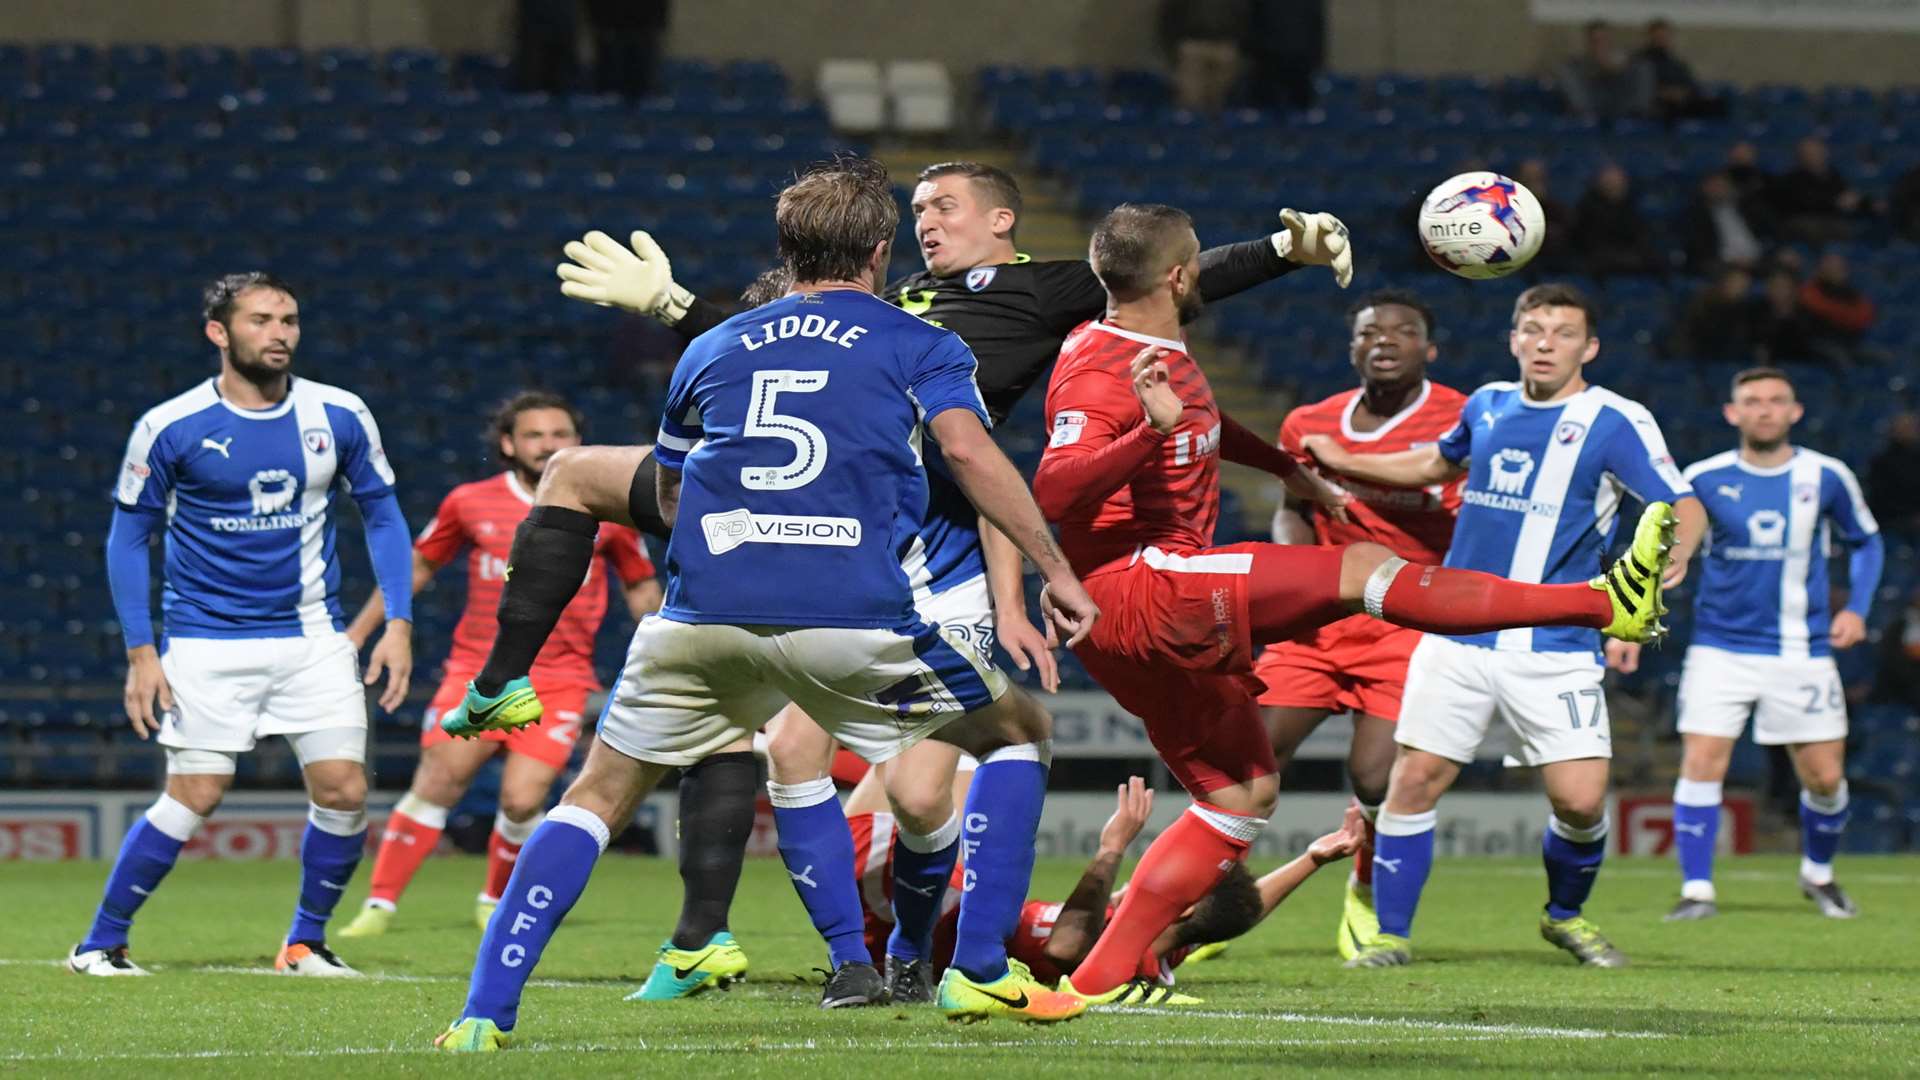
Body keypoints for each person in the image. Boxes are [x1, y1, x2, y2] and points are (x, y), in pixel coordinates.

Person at [466, 161, 1355, 1006]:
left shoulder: (1045, 291)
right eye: (917, 208)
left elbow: (1158, 276)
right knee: (596, 502)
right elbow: (779, 340)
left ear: (1004, 220)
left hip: (928, 541)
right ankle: (827, 954)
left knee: (922, 791)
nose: (928, 219)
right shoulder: (892, 310)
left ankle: (897, 950)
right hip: (840, 514)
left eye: (947, 205)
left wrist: (1280, 254)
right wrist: (676, 306)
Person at [433, 156, 1106, 1052]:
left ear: (786, 251)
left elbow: (671, 500)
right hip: (850, 623)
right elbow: (974, 458)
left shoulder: (715, 345)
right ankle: (978, 974)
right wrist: (1052, 565)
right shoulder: (921, 339)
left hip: (699, 618)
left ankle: (483, 1014)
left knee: (594, 796)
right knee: (1017, 732)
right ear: (880, 248)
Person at [1035, 217, 1680, 1001]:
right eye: (1194, 257)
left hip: (1128, 610)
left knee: (1241, 794)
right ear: (1177, 278)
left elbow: (1204, 426)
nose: (1205, 267)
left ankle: (1101, 978)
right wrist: (1148, 433)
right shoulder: (1108, 367)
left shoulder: (1157, 355)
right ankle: (1599, 603)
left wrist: (1285, 468)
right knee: (1367, 571)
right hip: (1146, 582)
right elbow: (1057, 491)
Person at [1303, 282, 1707, 971]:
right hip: (1457, 637)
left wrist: (1675, 555)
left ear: (1590, 347)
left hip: (1555, 643)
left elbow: (1681, 502)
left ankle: (1565, 916)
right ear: (1515, 338)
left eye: (1564, 333)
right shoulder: (1486, 404)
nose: (1547, 343)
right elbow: (1434, 462)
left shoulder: (1615, 419)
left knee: (1579, 803)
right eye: (1535, 329)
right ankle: (1392, 936)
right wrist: (1345, 460)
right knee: (1414, 781)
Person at [72, 273, 414, 977]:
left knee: (346, 790)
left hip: (312, 640)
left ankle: (305, 943)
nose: (280, 333)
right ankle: (100, 943)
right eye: (260, 320)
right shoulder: (170, 426)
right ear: (219, 333)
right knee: (195, 793)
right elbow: (127, 539)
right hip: (204, 641)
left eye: (288, 319)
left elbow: (382, 514)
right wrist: (142, 651)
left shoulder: (340, 414)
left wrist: (399, 620)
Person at [337, 392, 662, 940]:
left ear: (577, 443)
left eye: (560, 435)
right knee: (439, 780)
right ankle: (378, 906)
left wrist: (660, 649)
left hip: (561, 679)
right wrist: (362, 632)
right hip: (474, 668)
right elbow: (417, 567)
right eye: (534, 435)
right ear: (508, 444)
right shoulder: (469, 502)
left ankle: (493, 899)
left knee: (523, 798)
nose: (548, 445)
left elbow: (640, 587)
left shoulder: (608, 508)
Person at [1251, 288, 1466, 959]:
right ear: (1352, 348)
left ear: (1428, 349)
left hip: (1405, 624)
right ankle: (1211, 897)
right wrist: (1296, 567)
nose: (1385, 340)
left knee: (1375, 778)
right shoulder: (1309, 422)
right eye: (1371, 331)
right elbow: (1291, 504)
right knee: (1246, 760)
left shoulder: (1459, 420)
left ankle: (1365, 892)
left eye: (1404, 331)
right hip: (1320, 621)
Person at [1666, 368, 1883, 921]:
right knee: (1701, 762)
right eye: (1752, 402)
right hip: (1720, 647)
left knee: (1825, 778)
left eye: (1775, 401)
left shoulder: (1826, 476)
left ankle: (1819, 874)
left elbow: (1867, 541)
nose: (1764, 410)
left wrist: (1856, 606)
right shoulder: (1704, 479)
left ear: (1795, 411)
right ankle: (1697, 890)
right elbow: (1667, 557)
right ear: (1732, 413)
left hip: (1801, 650)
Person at [843, 771, 1366, 997]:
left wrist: (1112, 848)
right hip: (935, 913)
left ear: (1182, 910)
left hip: (921, 911)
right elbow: (1241, 912)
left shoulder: (1123, 957)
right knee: (928, 750)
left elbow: (1066, 946)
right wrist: (1312, 859)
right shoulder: (1162, 946)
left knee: (929, 746)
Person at [1570, 164, 1663, 278]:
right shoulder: (1587, 206)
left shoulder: (1629, 207)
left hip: (1627, 253)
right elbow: (1585, 238)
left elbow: (1638, 234)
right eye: (1611, 184)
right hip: (1599, 254)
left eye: (1620, 184)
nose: (1616, 187)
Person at [1555, 19, 1651, 123]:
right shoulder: (1581, 61)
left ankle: (1637, 114)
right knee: (1564, 69)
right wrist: (1596, 67)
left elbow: (1629, 78)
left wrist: (1617, 68)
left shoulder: (1622, 57)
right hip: (1591, 103)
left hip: (1620, 102)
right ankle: (1587, 117)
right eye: (1595, 40)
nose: (1600, 44)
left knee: (1644, 68)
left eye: (1603, 40)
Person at [1772, 138, 1867, 243]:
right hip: (1804, 218)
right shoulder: (1792, 178)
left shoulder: (1833, 174)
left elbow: (1846, 195)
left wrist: (1859, 201)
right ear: (1800, 156)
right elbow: (1804, 202)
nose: (1815, 156)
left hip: (1830, 217)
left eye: (1817, 152)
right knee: (1821, 228)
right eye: (1809, 153)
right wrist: (1836, 202)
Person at [1632, 18, 1726, 123]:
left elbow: (1691, 84)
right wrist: (1664, 93)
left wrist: (1683, 93)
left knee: (1717, 104)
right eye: (1658, 37)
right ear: (1650, 37)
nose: (1662, 40)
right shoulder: (1640, 60)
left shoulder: (1675, 63)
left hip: (1683, 101)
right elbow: (1638, 89)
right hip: (1659, 104)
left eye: (1665, 37)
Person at [1795, 252, 1875, 366]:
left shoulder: (1851, 293)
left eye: (1839, 268)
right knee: (1840, 359)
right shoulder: (1810, 289)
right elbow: (1819, 307)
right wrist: (1846, 315)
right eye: (1830, 267)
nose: (1836, 271)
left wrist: (1843, 316)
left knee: (1879, 357)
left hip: (1848, 342)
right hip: (1816, 342)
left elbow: (1864, 316)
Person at [1682, 172, 1768, 273]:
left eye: (1720, 185)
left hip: (1759, 259)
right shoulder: (1697, 216)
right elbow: (1698, 248)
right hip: (1724, 264)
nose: (1717, 190)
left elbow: (1772, 230)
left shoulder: (1749, 207)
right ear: (1703, 190)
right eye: (1712, 187)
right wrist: (1731, 261)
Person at [1673, 266, 1760, 363]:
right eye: (1735, 282)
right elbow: (1691, 334)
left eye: (1744, 285)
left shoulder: (1747, 310)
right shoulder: (1704, 304)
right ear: (1724, 282)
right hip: (1699, 355)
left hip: (1730, 358)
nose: (1740, 288)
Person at [1866, 412, 1920, 536]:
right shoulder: (1881, 462)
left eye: (1912, 427)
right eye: (1904, 428)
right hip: (1893, 520)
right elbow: (1881, 498)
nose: (1910, 431)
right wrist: (1912, 515)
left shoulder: (1917, 458)